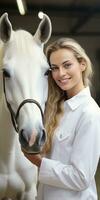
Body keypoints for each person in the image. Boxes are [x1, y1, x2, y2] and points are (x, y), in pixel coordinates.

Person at [22, 38, 100, 200]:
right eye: (54, 68)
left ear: (82, 64)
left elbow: (81, 178)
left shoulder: (90, 113)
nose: (61, 74)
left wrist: (39, 162)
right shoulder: (55, 108)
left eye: (67, 65)